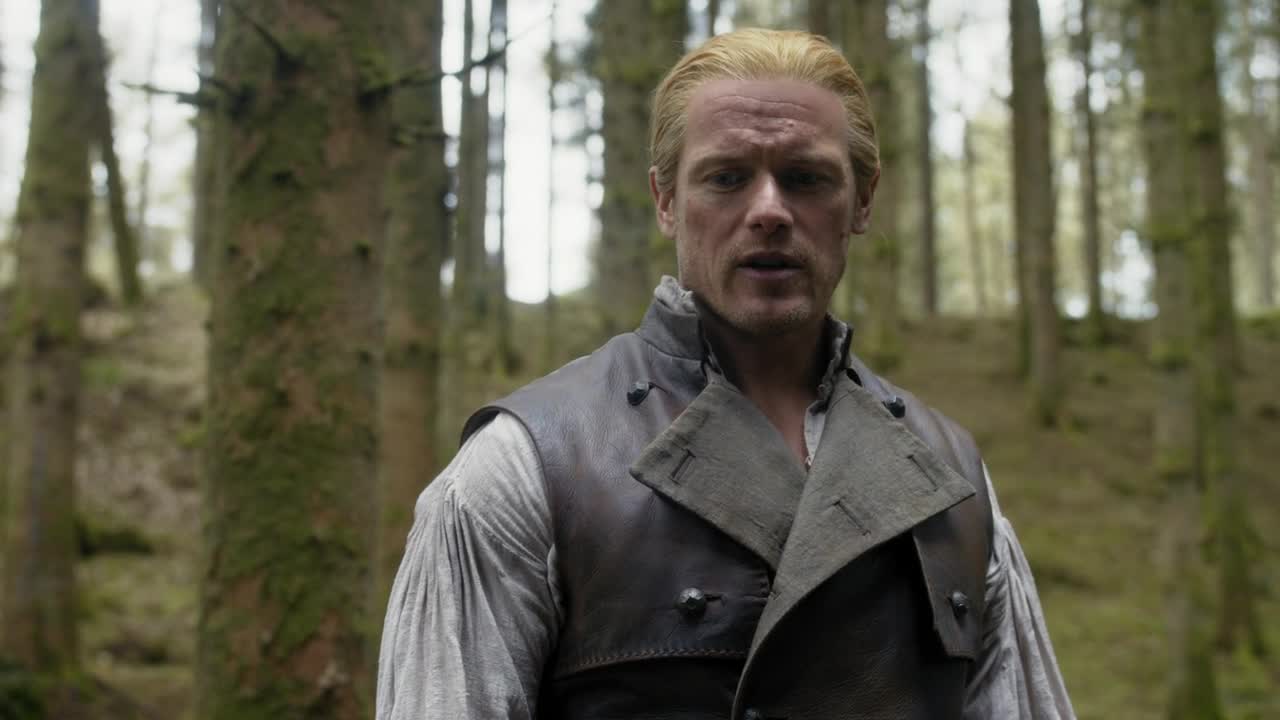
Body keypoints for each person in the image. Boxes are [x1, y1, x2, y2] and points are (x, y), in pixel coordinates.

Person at [377, 28, 1075, 720]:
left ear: (862, 200)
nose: (769, 211)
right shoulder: (530, 463)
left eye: (805, 178)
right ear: (666, 200)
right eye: (726, 177)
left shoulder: (952, 477)